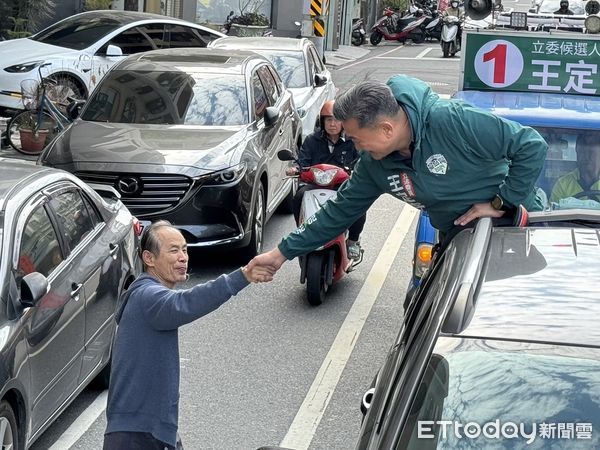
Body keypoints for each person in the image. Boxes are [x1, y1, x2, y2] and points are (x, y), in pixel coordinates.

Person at [251, 75, 547, 273]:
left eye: (355, 139)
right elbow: (337, 213)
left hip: (517, 234)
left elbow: (531, 146)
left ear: (387, 129)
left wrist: (501, 201)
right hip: (462, 244)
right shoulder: (373, 165)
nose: (355, 147)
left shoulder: (450, 121)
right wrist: (280, 254)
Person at [103, 220, 271, 450]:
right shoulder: (148, 297)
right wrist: (243, 276)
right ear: (149, 258)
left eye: (185, 250)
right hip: (139, 434)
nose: (183, 257)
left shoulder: (145, 295)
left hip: (152, 429)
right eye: (174, 250)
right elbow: (186, 303)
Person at [288, 100, 365, 260]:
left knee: (359, 205)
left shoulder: (352, 142)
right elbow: (303, 161)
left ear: (343, 123)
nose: (332, 124)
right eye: (328, 120)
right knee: (298, 197)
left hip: (341, 187)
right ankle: (302, 232)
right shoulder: (312, 140)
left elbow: (361, 160)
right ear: (322, 122)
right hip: (314, 186)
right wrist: (296, 169)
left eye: (336, 120)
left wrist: (359, 171)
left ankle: (353, 241)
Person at [550, 132, 600, 203]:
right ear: (577, 152)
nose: (586, 157)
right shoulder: (562, 184)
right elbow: (554, 212)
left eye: (591, 152)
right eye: (582, 151)